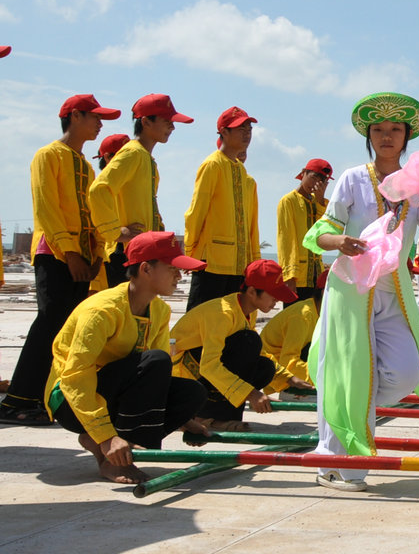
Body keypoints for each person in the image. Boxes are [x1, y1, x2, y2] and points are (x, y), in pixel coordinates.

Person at [303, 92, 419, 491]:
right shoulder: (353, 178)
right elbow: (320, 232)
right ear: (368, 136)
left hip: (395, 291)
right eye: (378, 130)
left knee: (405, 372)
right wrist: (339, 242)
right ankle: (338, 464)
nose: (386, 136)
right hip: (350, 289)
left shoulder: (418, 187)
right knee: (346, 371)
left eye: (395, 129)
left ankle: (351, 417)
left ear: (406, 136)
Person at [44, 231, 210, 484]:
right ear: (145, 269)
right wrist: (105, 435)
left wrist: (183, 419)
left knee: (191, 393)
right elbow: (76, 377)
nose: (180, 275)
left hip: (114, 392)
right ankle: (108, 454)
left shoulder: (159, 310)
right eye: (172, 268)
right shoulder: (102, 311)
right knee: (156, 361)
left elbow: (155, 378)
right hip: (71, 400)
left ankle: (116, 445)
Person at [0, 94, 121, 424]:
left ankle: (43, 398)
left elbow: (92, 214)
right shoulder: (48, 155)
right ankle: (17, 400)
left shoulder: (83, 164)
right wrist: (69, 252)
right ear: (75, 116)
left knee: (66, 330)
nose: (99, 124)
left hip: (81, 257)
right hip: (54, 254)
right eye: (95, 117)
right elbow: (47, 209)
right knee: (48, 323)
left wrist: (95, 253)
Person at [171, 259, 304, 429]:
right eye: (273, 295)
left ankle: (213, 415)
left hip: (200, 369)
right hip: (182, 375)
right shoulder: (223, 314)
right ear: (252, 292)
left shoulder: (246, 310)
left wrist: (289, 378)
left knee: (265, 367)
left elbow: (260, 353)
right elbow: (209, 366)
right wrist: (251, 394)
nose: (277, 300)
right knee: (248, 343)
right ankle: (209, 417)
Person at [89, 94, 191, 292]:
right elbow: (99, 188)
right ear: (145, 121)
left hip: (141, 252)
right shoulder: (132, 153)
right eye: (167, 121)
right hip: (126, 252)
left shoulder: (145, 157)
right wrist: (114, 231)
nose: (172, 127)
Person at [183, 106, 262, 310]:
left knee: (228, 326)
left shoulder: (244, 175)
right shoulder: (213, 165)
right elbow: (196, 212)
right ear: (223, 132)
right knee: (200, 323)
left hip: (237, 265)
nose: (247, 133)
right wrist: (190, 253)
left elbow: (252, 226)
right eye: (240, 128)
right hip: (211, 263)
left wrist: (253, 263)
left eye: (249, 129)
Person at [277, 159, 332, 307]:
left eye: (321, 181)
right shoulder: (288, 201)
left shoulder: (321, 204)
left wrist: (320, 202)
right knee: (295, 320)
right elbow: (286, 240)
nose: (315, 183)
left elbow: (325, 232)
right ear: (303, 173)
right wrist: (289, 276)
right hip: (297, 276)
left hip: (316, 275)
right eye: (313, 177)